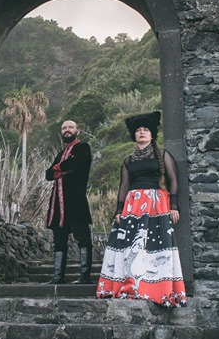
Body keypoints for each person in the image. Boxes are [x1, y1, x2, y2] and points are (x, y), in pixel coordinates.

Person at [96, 111, 187, 307]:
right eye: (138, 130)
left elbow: (174, 180)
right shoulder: (129, 160)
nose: (142, 133)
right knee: (131, 248)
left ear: (152, 134)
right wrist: (119, 211)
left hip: (157, 205)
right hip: (133, 205)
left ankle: (155, 289)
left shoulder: (163, 155)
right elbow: (123, 186)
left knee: (154, 247)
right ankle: (129, 286)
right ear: (134, 136)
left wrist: (173, 206)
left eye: (145, 130)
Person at [44, 119, 94, 284]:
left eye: (70, 127)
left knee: (83, 238)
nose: (67, 130)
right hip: (58, 205)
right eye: (64, 128)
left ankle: (85, 277)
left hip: (76, 202)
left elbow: (77, 163)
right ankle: (58, 277)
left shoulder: (83, 148)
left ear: (77, 131)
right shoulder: (60, 153)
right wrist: (62, 170)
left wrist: (58, 169)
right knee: (59, 241)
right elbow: (48, 175)